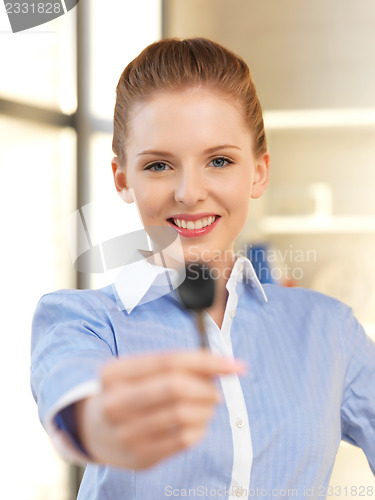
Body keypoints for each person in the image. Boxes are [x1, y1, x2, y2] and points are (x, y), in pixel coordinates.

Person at [31, 37, 375, 500]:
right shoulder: (82, 322)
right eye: (158, 165)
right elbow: (74, 396)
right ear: (122, 179)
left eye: (219, 160)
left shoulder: (331, 330)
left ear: (258, 172)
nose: (189, 193)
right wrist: (102, 423)